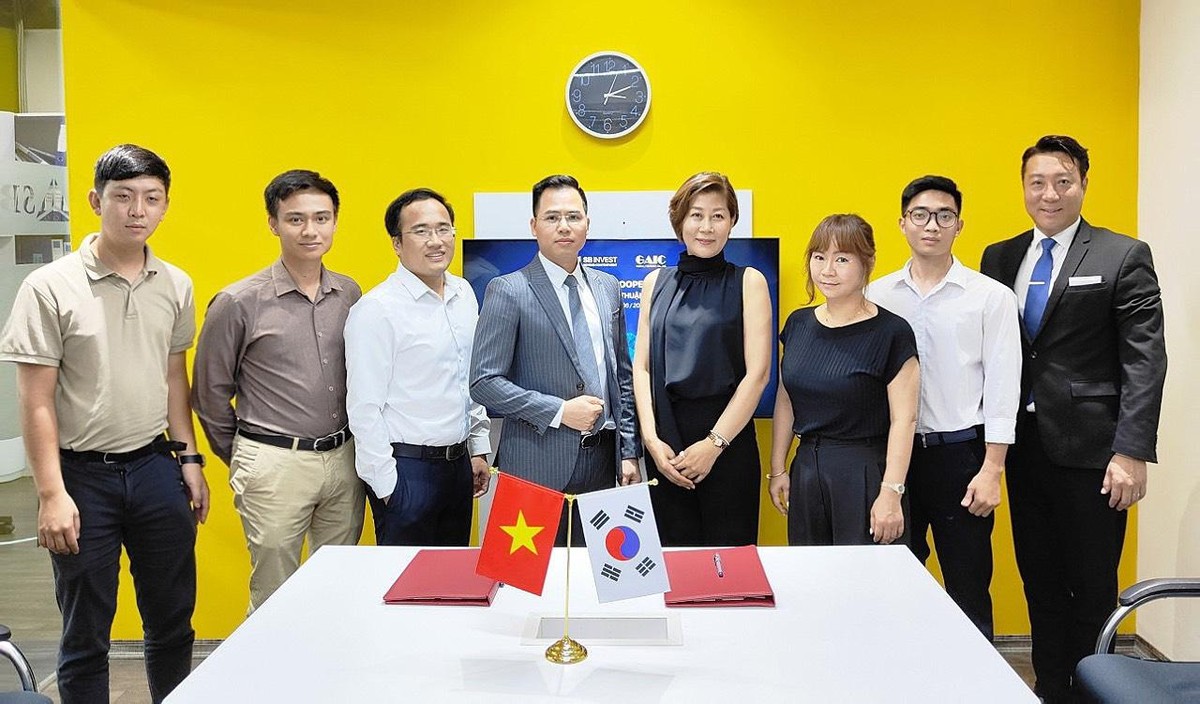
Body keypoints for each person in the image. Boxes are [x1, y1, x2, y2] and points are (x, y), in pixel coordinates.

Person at [0, 144, 209, 703]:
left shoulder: (176, 284)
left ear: (165, 205)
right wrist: (51, 494)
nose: (137, 210)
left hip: (154, 467)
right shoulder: (49, 286)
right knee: (86, 633)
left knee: (172, 621)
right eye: (123, 197)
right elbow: (36, 401)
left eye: (151, 198)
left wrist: (189, 460)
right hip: (80, 476)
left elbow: (174, 378)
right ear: (96, 201)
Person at [980, 135, 1166, 702]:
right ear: (1023, 188)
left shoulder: (1121, 254)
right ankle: (1050, 689)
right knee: (1038, 580)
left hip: (1096, 452)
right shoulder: (999, 257)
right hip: (1023, 446)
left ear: (1083, 183)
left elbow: (1145, 358)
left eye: (1063, 181)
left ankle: (1092, 691)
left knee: (1090, 585)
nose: (1049, 194)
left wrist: (1131, 451)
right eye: (1037, 182)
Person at [192, 169, 364, 612]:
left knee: (338, 589)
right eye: (296, 219)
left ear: (335, 221)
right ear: (273, 223)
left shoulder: (349, 293)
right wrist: (247, 455)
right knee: (275, 596)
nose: (311, 230)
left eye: (321, 218)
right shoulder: (238, 301)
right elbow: (209, 393)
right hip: (274, 463)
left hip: (344, 458)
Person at [866, 175, 1021, 640]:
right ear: (903, 223)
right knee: (892, 583)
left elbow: (1003, 388)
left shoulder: (991, 297)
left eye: (944, 216)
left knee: (968, 586)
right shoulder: (876, 296)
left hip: (961, 459)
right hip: (894, 459)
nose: (931, 225)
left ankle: (975, 677)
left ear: (959, 225)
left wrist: (992, 469)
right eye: (920, 215)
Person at [471, 174, 640, 546]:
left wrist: (629, 452)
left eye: (573, 216)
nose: (564, 226)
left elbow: (622, 380)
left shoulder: (608, 287)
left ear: (587, 224)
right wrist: (560, 411)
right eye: (552, 217)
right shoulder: (508, 290)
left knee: (595, 575)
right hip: (534, 465)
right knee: (523, 577)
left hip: (602, 465)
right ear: (534, 226)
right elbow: (483, 383)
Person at [631, 172, 772, 546]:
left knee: (730, 569)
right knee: (672, 564)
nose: (706, 227)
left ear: (732, 221)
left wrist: (713, 445)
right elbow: (641, 367)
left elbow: (758, 374)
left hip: (728, 443)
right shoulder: (654, 283)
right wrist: (651, 441)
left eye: (718, 215)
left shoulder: (749, 281)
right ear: (680, 221)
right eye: (696, 215)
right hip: (666, 449)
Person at [345, 188, 491, 545]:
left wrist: (477, 447)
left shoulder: (463, 294)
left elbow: (468, 378)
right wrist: (387, 486)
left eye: (443, 229)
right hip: (406, 471)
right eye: (421, 231)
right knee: (406, 578)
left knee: (452, 576)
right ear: (397, 243)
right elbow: (364, 407)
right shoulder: (376, 309)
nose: (436, 241)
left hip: (458, 466)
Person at [769, 214, 919, 546]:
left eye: (842, 259)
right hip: (807, 469)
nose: (827, 270)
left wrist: (891, 491)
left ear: (868, 263)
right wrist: (778, 468)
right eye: (819, 257)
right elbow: (786, 398)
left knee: (865, 574)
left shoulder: (892, 332)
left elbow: (904, 419)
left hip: (864, 471)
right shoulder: (798, 324)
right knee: (811, 572)